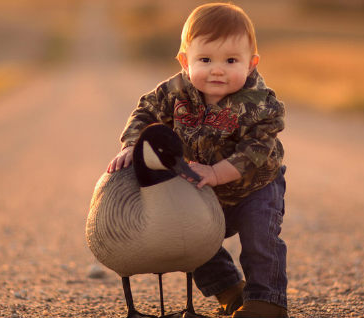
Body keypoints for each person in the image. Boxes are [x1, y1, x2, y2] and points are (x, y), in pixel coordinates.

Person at [107, 3, 287, 318]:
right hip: (202, 185)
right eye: (205, 59)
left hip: (254, 187)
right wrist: (132, 144)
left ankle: (266, 301)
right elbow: (146, 111)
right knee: (191, 237)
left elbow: (256, 149)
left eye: (231, 60)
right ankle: (230, 291)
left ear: (251, 63)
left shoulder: (260, 102)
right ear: (185, 61)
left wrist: (218, 173)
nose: (217, 69)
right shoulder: (175, 91)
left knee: (260, 238)